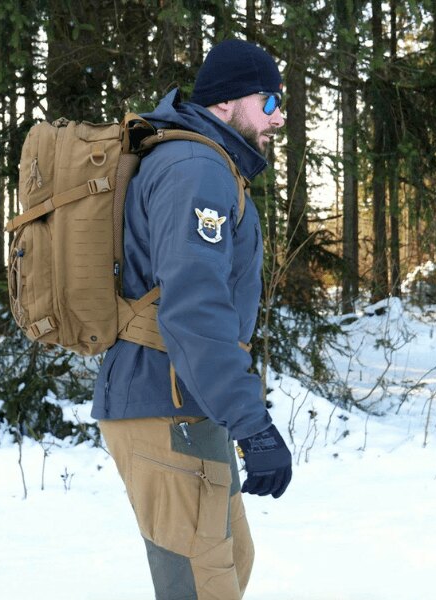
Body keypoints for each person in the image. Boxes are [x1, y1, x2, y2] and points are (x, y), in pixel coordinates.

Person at [92, 39, 293, 599]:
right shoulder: (196, 170)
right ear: (228, 103)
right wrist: (252, 425)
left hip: (186, 402)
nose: (281, 117)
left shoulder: (204, 163)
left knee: (232, 561)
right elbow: (195, 310)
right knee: (201, 588)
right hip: (164, 403)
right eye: (271, 101)